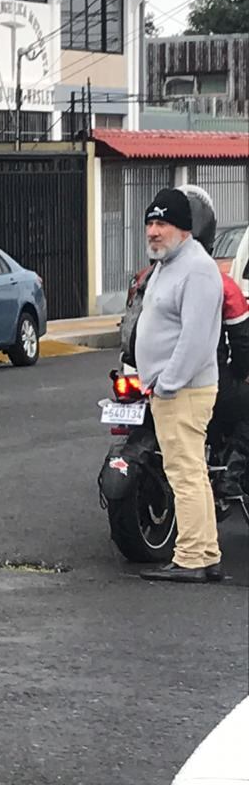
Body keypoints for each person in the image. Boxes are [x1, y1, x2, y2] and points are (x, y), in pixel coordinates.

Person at [120, 186, 249, 499]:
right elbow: (242, 340)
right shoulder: (217, 280)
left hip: (138, 374)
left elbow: (136, 332)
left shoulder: (147, 277)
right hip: (189, 384)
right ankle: (234, 469)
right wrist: (241, 371)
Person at [134, 189, 227, 583]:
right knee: (190, 471)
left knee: (184, 474)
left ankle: (190, 558)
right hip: (173, 389)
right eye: (150, 224)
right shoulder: (168, 264)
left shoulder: (197, 270)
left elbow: (196, 339)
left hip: (184, 392)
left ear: (184, 229)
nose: (154, 232)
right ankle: (205, 552)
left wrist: (167, 384)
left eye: (162, 224)